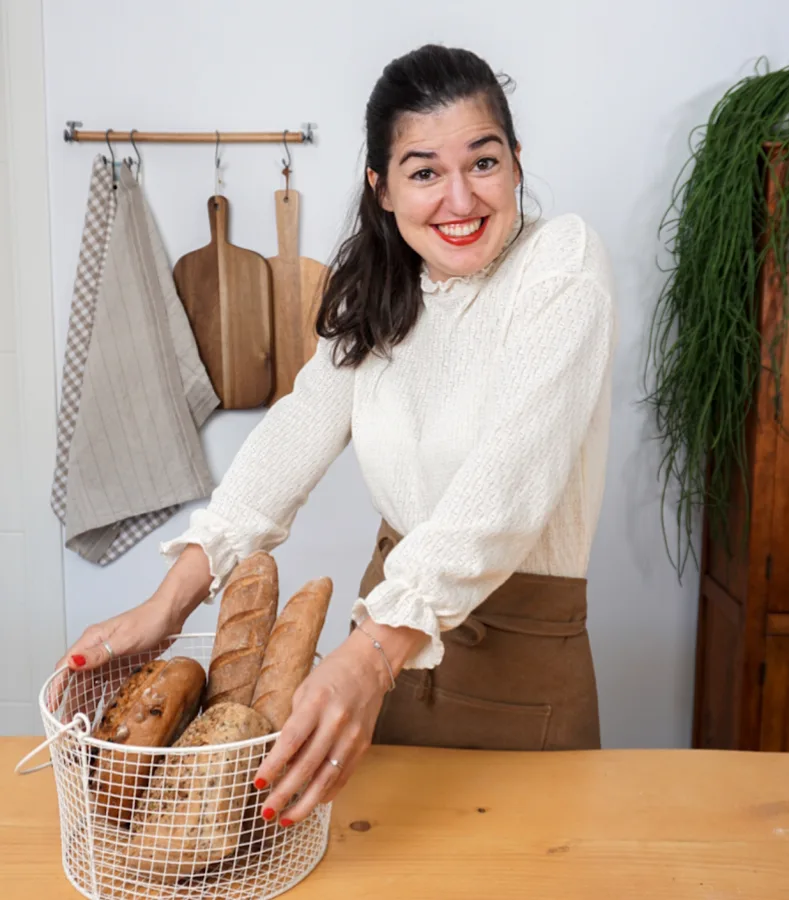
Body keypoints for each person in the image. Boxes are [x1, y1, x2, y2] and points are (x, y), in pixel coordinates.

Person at [55, 44, 616, 829]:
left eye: (481, 162)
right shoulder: (380, 292)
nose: (458, 197)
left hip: (511, 666)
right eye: (423, 171)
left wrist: (370, 654)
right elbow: (292, 435)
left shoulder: (560, 263)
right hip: (375, 660)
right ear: (381, 190)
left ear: (516, 162)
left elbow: (509, 480)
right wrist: (168, 599)